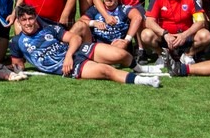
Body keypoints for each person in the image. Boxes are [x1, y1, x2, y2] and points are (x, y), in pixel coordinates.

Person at [9, 5, 160, 88]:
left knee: (119, 54)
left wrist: (68, 55)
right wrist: (5, 69)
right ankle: (143, 80)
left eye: (30, 18)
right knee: (107, 71)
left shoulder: (48, 29)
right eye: (24, 20)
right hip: (68, 67)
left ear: (35, 18)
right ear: (19, 22)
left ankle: (140, 68)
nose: (28, 23)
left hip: (74, 52)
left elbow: (74, 38)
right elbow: (18, 67)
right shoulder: (16, 42)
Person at [141, 0, 210, 65]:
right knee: (146, 35)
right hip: (165, 37)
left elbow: (200, 21)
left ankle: (188, 55)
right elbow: (149, 21)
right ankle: (163, 55)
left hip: (186, 37)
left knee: (205, 35)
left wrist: (184, 35)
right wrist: (165, 34)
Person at [77, 0, 143, 50]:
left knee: (120, 46)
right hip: (99, 48)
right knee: (78, 26)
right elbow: (81, 21)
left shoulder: (123, 9)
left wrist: (126, 40)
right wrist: (94, 23)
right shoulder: (96, 9)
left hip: (118, 47)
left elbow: (137, 17)